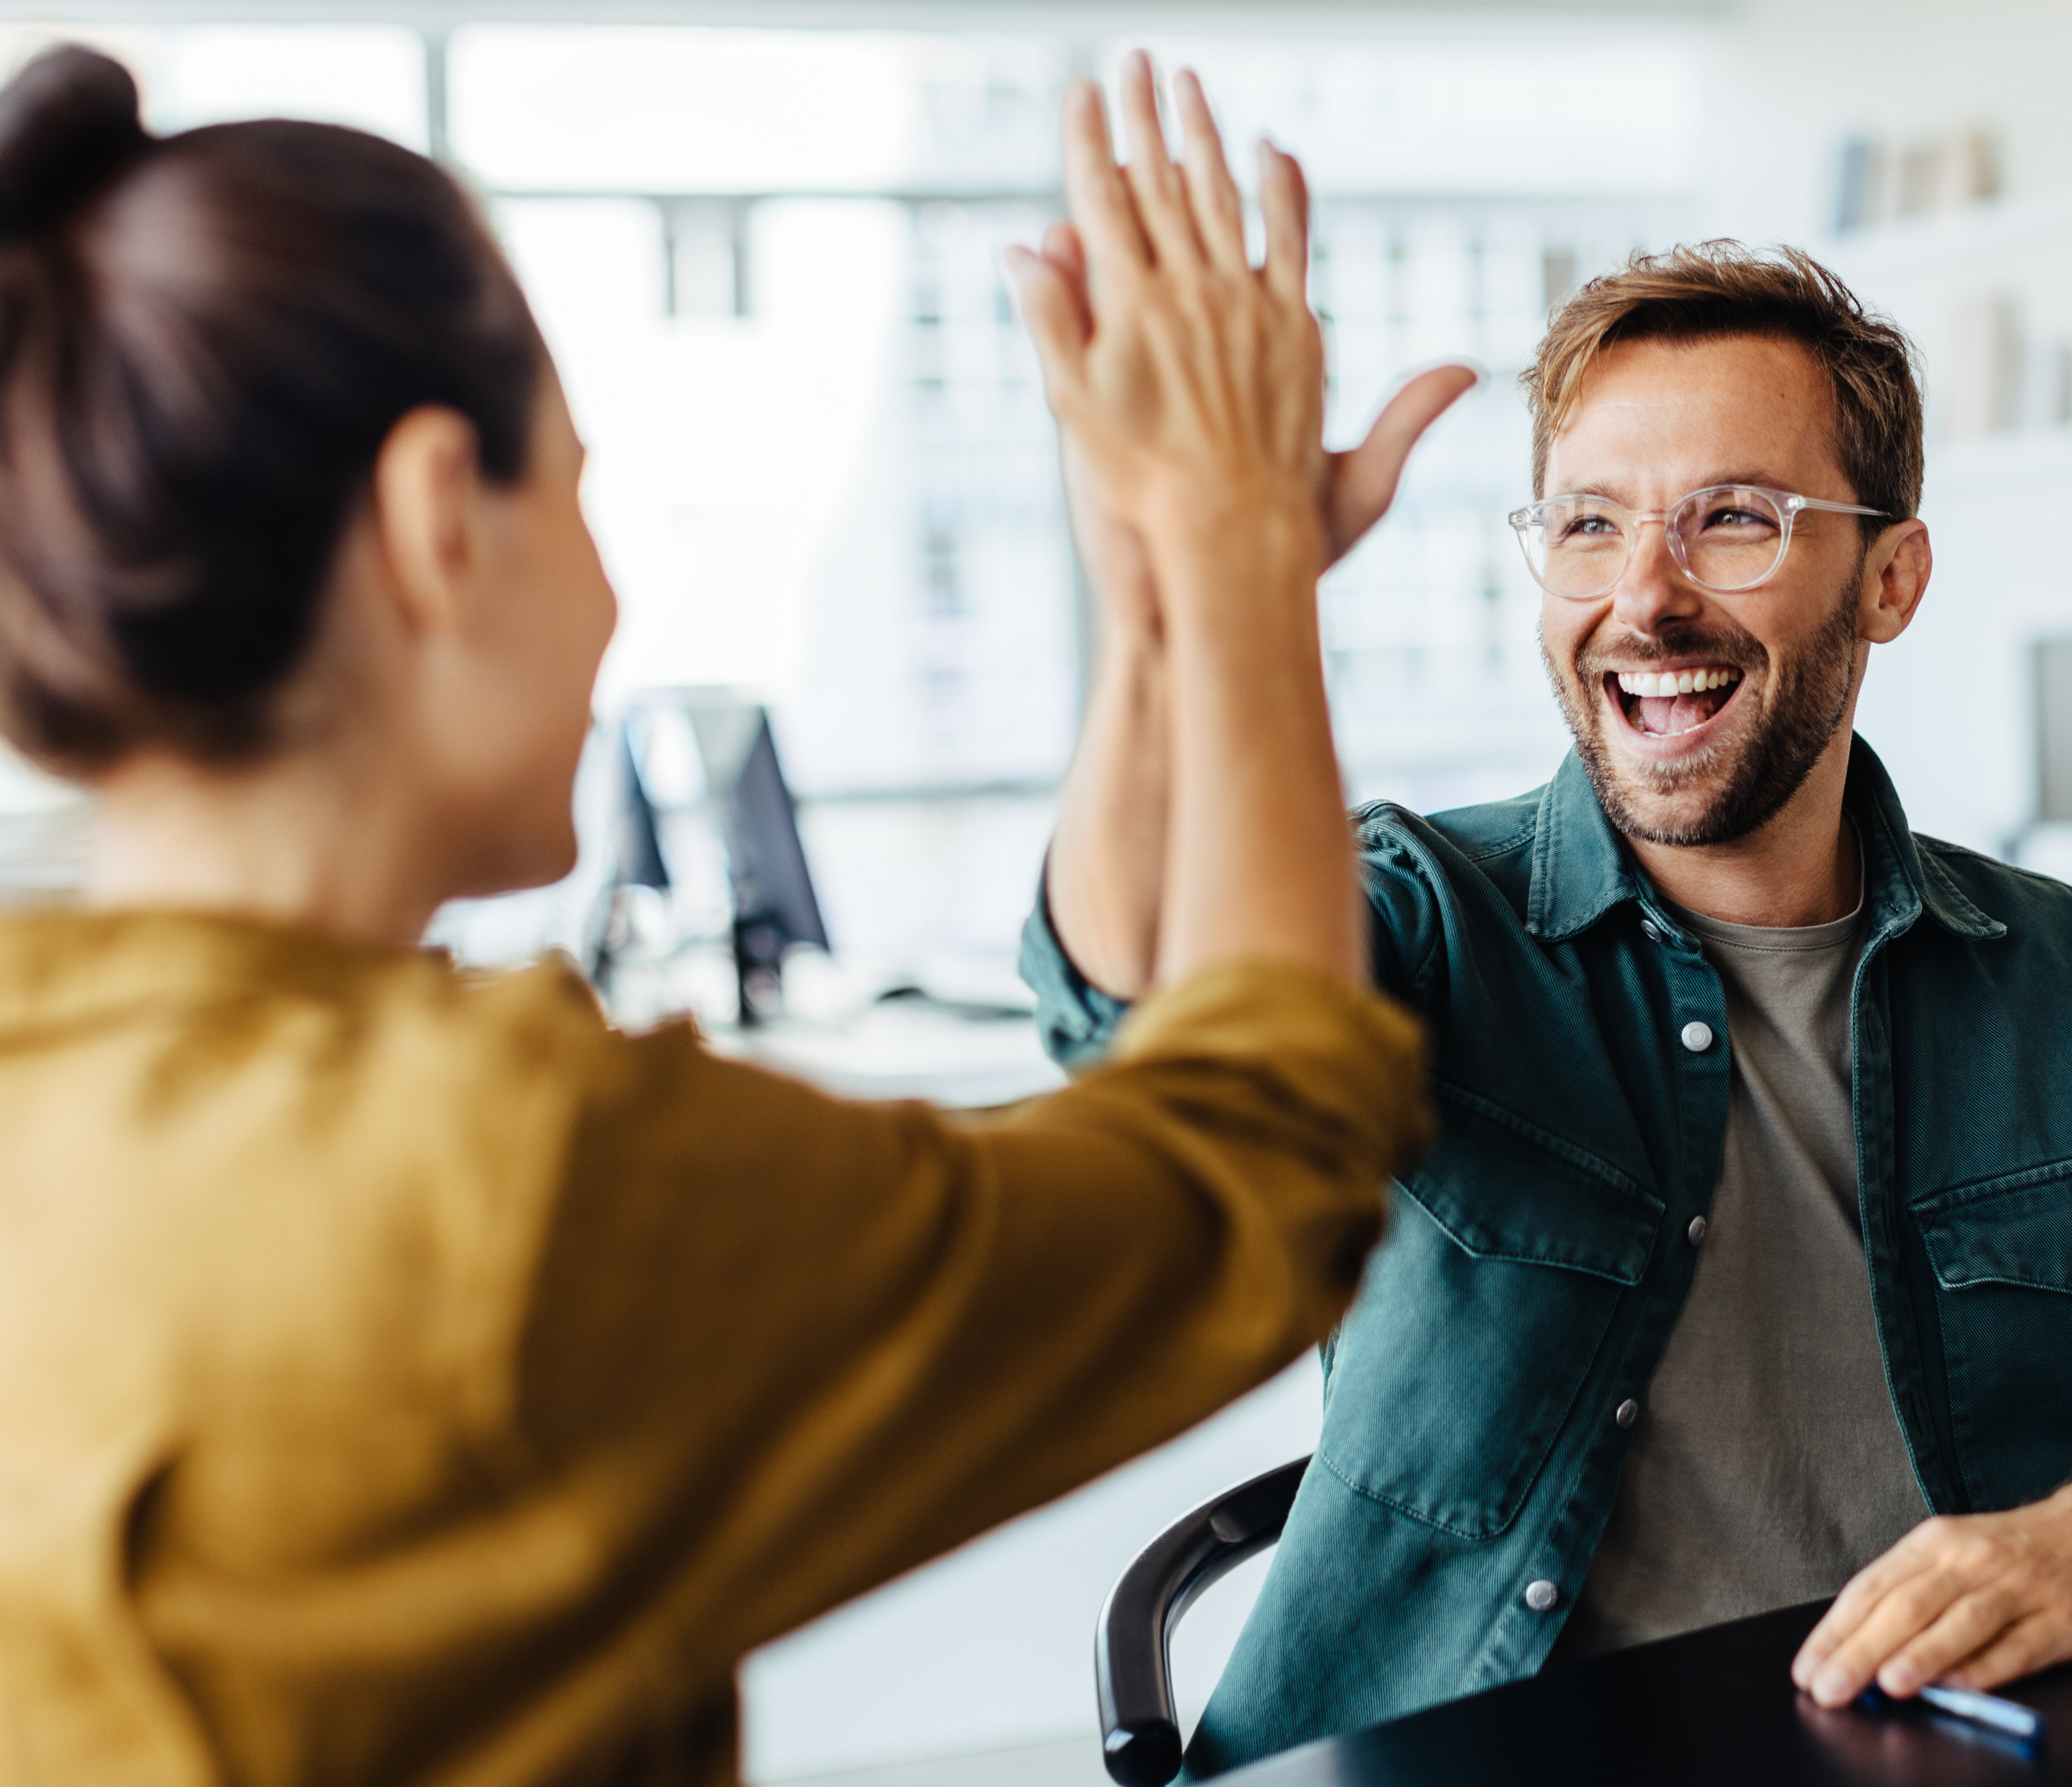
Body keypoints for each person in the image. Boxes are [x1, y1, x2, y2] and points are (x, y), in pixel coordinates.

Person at [0, 48, 1430, 1786]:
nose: (611, 599)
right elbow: (1258, 1166)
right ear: (438, 519)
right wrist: (1235, 541)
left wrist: (1159, 620)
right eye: (582, 487)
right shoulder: (500, 1177)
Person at [1024, 239, 2072, 1771]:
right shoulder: (1419, 918)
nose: (1645, 599)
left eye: (1734, 519)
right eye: (1589, 525)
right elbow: (1129, 1000)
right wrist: (1171, 607)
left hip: (1921, 1749)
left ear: (1890, 579)